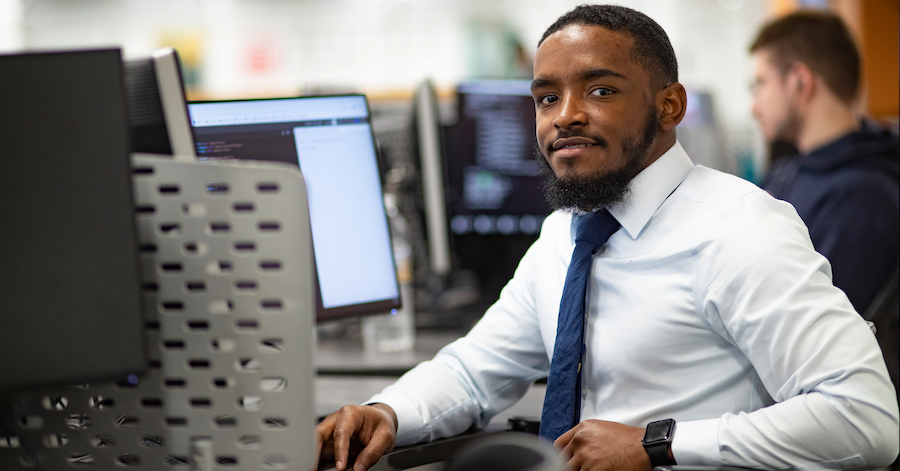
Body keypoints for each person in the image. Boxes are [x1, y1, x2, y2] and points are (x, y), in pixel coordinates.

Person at [315, 5, 899, 471]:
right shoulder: (565, 236)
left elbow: (864, 418)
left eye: (599, 91)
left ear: (669, 106)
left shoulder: (738, 229)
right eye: (547, 98)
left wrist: (657, 445)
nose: (564, 115)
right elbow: (475, 369)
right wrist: (388, 411)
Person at [749, 10, 900, 316]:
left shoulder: (863, 197)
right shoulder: (789, 170)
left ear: (800, 82)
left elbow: (808, 327)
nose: (754, 106)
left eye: (760, 84)